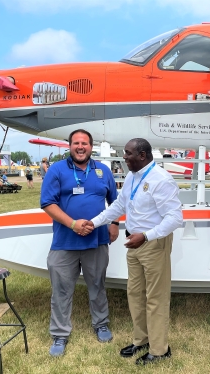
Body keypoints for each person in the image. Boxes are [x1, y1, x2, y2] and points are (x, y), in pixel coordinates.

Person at [80, 138, 183, 366]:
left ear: (142, 155)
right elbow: (119, 206)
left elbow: (175, 218)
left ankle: (159, 349)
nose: (123, 157)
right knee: (135, 294)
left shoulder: (161, 180)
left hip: (153, 243)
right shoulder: (131, 176)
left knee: (155, 298)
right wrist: (94, 222)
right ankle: (142, 340)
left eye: (127, 154)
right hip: (134, 243)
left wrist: (146, 236)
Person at [40, 129, 120, 357]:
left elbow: (114, 201)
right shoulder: (56, 170)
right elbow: (47, 203)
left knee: (97, 286)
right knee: (61, 291)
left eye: (84, 143)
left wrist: (114, 224)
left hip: (97, 241)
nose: (80, 146)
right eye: (76, 143)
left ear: (91, 147)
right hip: (65, 242)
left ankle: (101, 324)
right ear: (70, 146)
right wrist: (73, 224)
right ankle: (59, 334)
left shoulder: (103, 171)